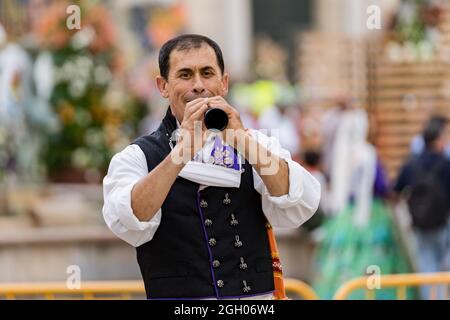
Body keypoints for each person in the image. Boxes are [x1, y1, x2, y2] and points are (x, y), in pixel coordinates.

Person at [102, 34, 321, 300]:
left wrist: (243, 140)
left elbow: (300, 202)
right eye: (184, 75)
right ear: (163, 86)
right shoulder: (137, 156)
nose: (198, 85)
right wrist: (180, 153)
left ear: (224, 82)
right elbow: (129, 217)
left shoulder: (256, 144)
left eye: (207, 73)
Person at [394, 116, 450, 299]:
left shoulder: (412, 163)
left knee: (426, 266)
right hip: (442, 222)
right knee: (442, 266)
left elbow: (396, 188)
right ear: (438, 138)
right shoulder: (445, 163)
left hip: (419, 222)